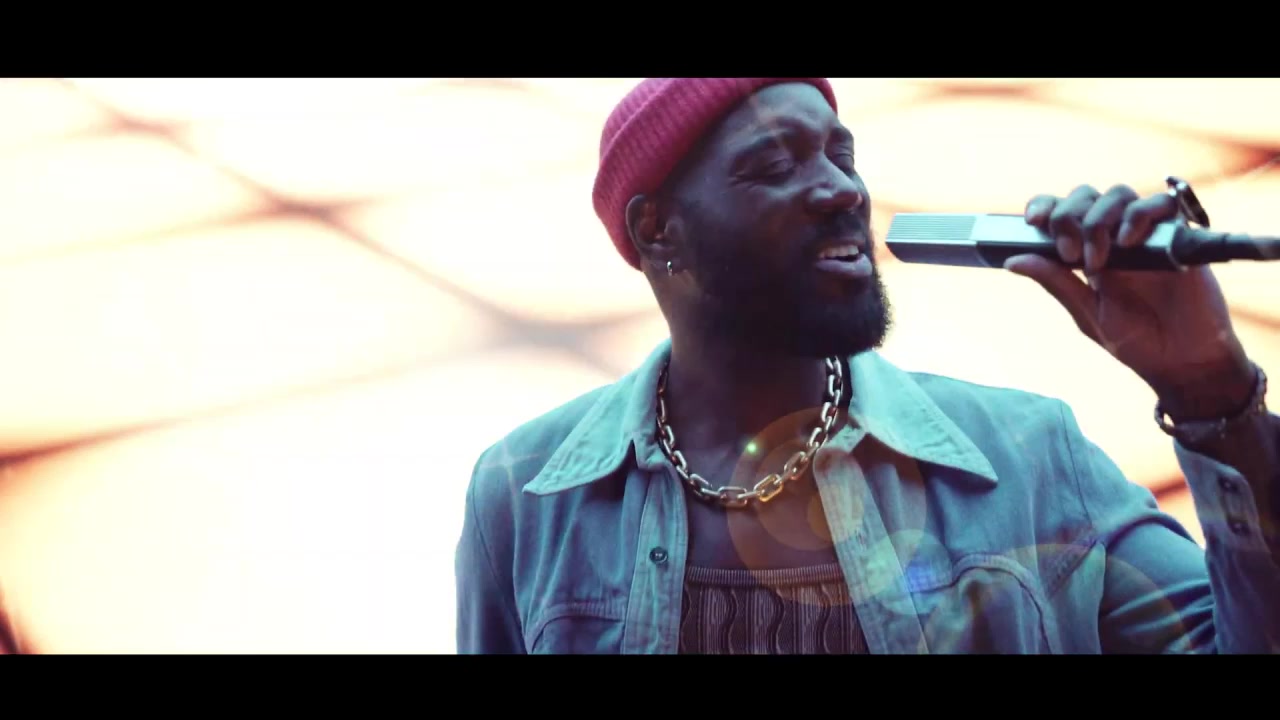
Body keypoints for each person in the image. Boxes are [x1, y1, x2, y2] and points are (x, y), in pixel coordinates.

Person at [454, 77, 1279, 654]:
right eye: (775, 166)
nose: (843, 190)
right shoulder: (527, 496)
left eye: (840, 155)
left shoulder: (1030, 460)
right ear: (656, 230)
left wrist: (1210, 390)